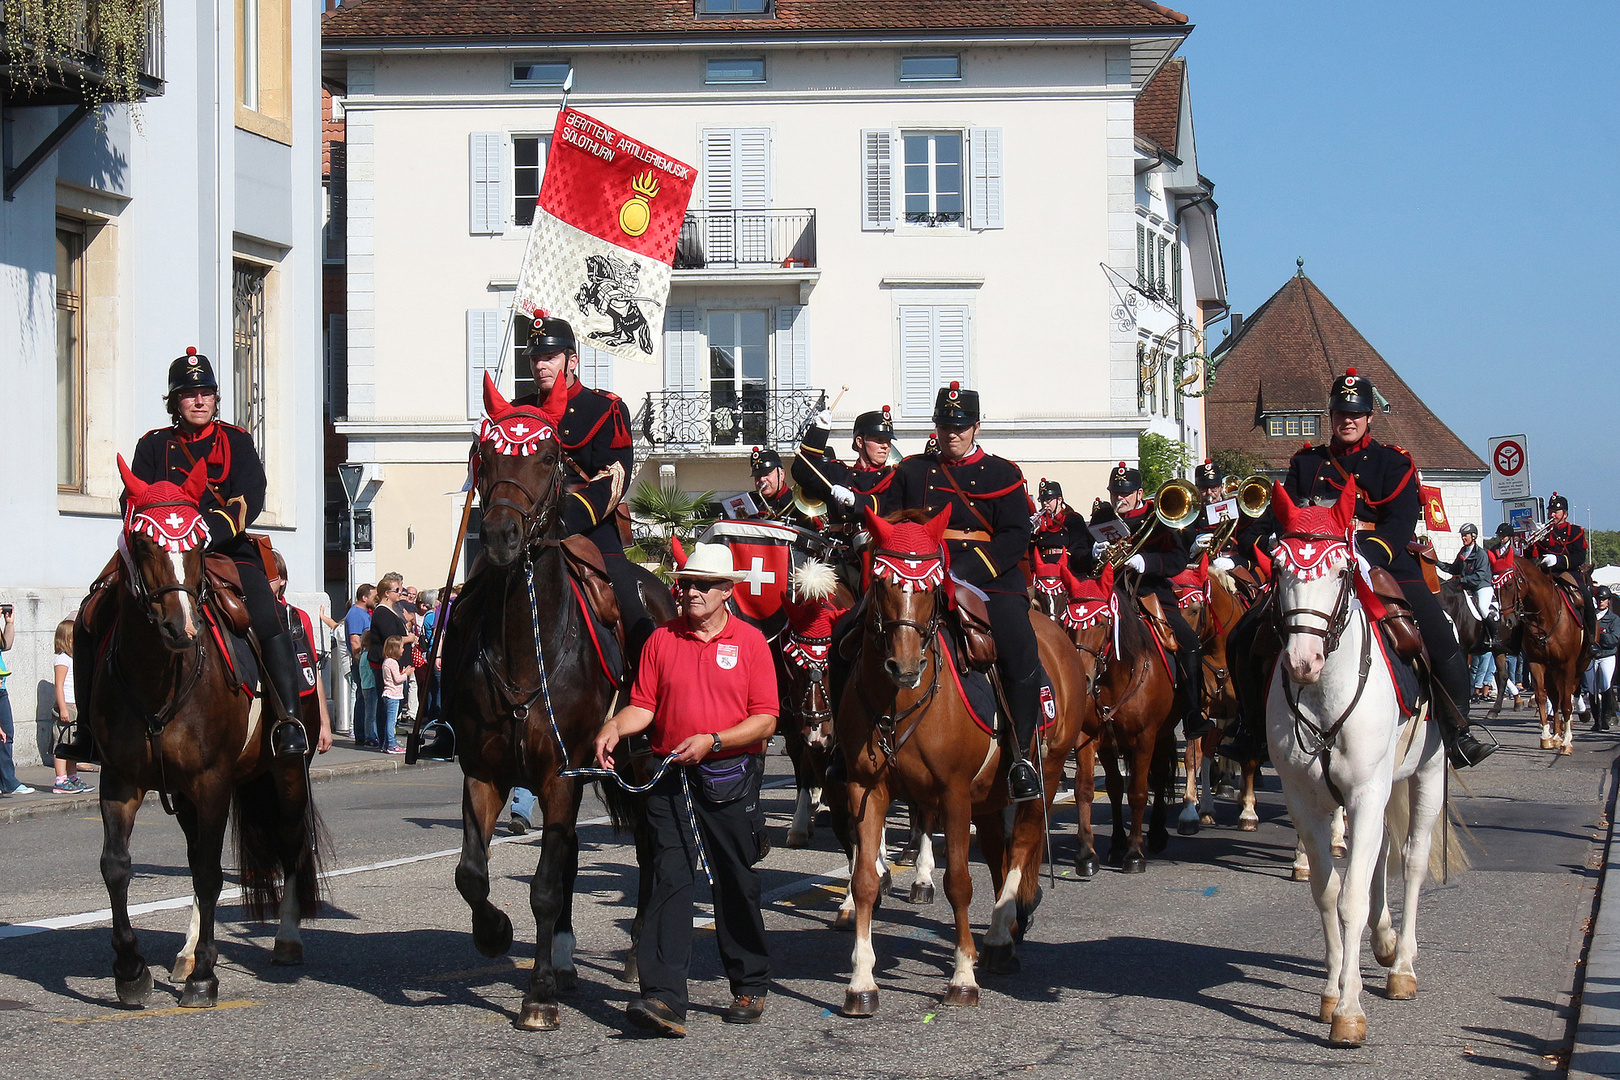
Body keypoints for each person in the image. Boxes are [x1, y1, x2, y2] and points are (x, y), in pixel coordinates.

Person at [59, 348, 307, 760]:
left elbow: (250, 496)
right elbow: (132, 500)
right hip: (161, 553)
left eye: (206, 392)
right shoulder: (153, 445)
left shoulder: (237, 441)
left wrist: (208, 530)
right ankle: (86, 728)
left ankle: (288, 721)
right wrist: (161, 534)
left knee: (265, 612)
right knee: (91, 613)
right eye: (189, 393)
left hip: (222, 546)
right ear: (175, 401)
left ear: (215, 398)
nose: (199, 400)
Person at [1242, 367, 1494, 767]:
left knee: (1438, 631)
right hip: (1317, 566)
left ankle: (1457, 730)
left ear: (1369, 416)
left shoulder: (1392, 464)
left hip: (1383, 562)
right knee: (1248, 632)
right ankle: (1251, 730)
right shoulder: (1307, 463)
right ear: (1331, 414)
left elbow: (1400, 522)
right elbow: (1281, 516)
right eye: (1341, 412)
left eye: (1356, 413)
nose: (1348, 420)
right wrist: (1270, 541)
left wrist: (1366, 548)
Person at [594, 543, 777, 1037]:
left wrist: (715, 739)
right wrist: (614, 727)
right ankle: (663, 997)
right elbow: (644, 707)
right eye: (686, 583)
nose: (690, 592)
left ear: (726, 591)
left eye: (702, 585)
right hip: (668, 772)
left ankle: (750, 981)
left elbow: (764, 721)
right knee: (669, 879)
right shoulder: (661, 640)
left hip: (728, 776)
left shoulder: (752, 642)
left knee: (733, 877)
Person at [879, 381, 1045, 802]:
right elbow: (894, 521)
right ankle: (847, 748)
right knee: (852, 634)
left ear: (975, 427)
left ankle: (1022, 756)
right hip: (921, 575)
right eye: (945, 426)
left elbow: (1013, 536)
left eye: (962, 426)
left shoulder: (1004, 473)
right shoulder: (913, 470)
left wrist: (966, 568)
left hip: (987, 579)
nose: (953, 434)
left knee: (1019, 644)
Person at [513, 317, 655, 666]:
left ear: (572, 361)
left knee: (629, 602)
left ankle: (646, 689)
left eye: (550, 356)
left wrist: (563, 517)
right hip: (527, 529)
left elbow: (614, 478)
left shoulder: (604, 408)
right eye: (535, 358)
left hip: (588, 525)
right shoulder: (520, 412)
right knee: (471, 603)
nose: (540, 365)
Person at [1091, 462, 1208, 744]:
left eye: (1126, 493)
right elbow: (1081, 553)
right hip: (1109, 595)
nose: (1120, 498)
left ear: (1139, 493)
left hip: (1151, 596)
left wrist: (1148, 561)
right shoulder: (1102, 518)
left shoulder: (1157, 518)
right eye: (1116, 493)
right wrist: (1091, 551)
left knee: (1189, 642)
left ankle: (1193, 713)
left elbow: (1178, 560)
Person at [269, 553, 335, 755]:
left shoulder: (297, 616)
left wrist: (324, 724)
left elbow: (313, 672)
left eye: (270, 575)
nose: (263, 580)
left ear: (282, 580)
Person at [792, 405, 896, 524]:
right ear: (860, 442)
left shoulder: (895, 477)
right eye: (879, 440)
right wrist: (819, 432)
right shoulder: (839, 473)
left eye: (888, 442)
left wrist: (855, 500)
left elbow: (892, 507)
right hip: (839, 541)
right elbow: (802, 473)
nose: (885, 446)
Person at [1529, 492, 1595, 643]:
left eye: (1556, 512)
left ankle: (1591, 640)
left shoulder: (1576, 531)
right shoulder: (1542, 533)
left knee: (1585, 596)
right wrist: (1531, 541)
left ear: (1565, 514)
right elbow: (1531, 557)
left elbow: (1579, 557)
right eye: (1550, 512)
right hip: (1545, 575)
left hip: (1567, 573)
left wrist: (1557, 560)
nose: (1552, 515)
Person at [368, 574, 415, 748]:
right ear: (387, 593)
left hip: (396, 664)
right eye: (397, 590)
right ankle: (386, 740)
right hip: (385, 665)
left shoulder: (392, 610)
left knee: (393, 705)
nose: (400, 592)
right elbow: (391, 639)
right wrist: (408, 638)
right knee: (387, 705)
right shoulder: (382, 612)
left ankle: (389, 738)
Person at [51, 619, 94, 794]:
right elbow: (58, 685)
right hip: (66, 705)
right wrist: (62, 708)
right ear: (66, 639)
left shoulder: (74, 659)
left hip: (75, 706)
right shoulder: (62, 660)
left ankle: (72, 776)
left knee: (73, 744)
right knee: (62, 742)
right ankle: (61, 780)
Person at [0, 603, 34, 796]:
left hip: (1, 689)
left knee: (6, 735)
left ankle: (6, 780)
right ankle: (9, 781)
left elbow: (6, 645)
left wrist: (9, 624)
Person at [1031, 477, 1097, 576]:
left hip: (1066, 569)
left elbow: (1078, 547)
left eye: (1048, 499)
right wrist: (1032, 534)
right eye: (1042, 500)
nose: (1045, 504)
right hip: (1043, 569)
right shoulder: (1040, 522)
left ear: (1059, 500)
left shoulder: (1073, 519)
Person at [1446, 524, 1497, 648]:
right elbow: (1453, 568)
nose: (1463, 538)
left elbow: (1479, 576)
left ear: (1473, 536)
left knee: (1482, 608)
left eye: (1465, 535)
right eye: (1462, 535)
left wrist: (1462, 580)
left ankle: (1494, 637)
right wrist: (1436, 563)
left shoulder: (1481, 554)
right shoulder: (1463, 552)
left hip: (1482, 587)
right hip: (1468, 587)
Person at [345, 584, 377, 746]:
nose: (375, 599)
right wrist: (361, 660)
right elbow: (355, 640)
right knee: (363, 698)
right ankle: (362, 734)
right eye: (373, 596)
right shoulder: (357, 614)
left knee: (364, 698)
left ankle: (365, 733)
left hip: (363, 660)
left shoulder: (363, 613)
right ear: (364, 598)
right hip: (361, 663)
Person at [1589, 586, 1617, 732]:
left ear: (1608, 601)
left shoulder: (1613, 619)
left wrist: (1601, 635)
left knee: (1606, 684)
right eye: (1599, 599)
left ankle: (1606, 718)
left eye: (1604, 599)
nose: (1601, 602)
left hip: (1607, 655)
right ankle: (1596, 720)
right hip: (1592, 656)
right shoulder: (1591, 616)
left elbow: (1614, 639)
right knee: (1592, 688)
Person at [749, 446, 802, 522]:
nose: (761, 479)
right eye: (757, 476)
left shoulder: (796, 503)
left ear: (781, 475)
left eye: (766, 474)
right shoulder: (751, 502)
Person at [379, 636, 410, 754]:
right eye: (402, 648)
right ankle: (391, 744)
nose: (403, 650)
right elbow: (397, 679)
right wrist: (406, 674)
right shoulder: (393, 662)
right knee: (391, 721)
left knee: (389, 720)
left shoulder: (387, 662)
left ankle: (386, 743)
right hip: (393, 695)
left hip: (388, 694)